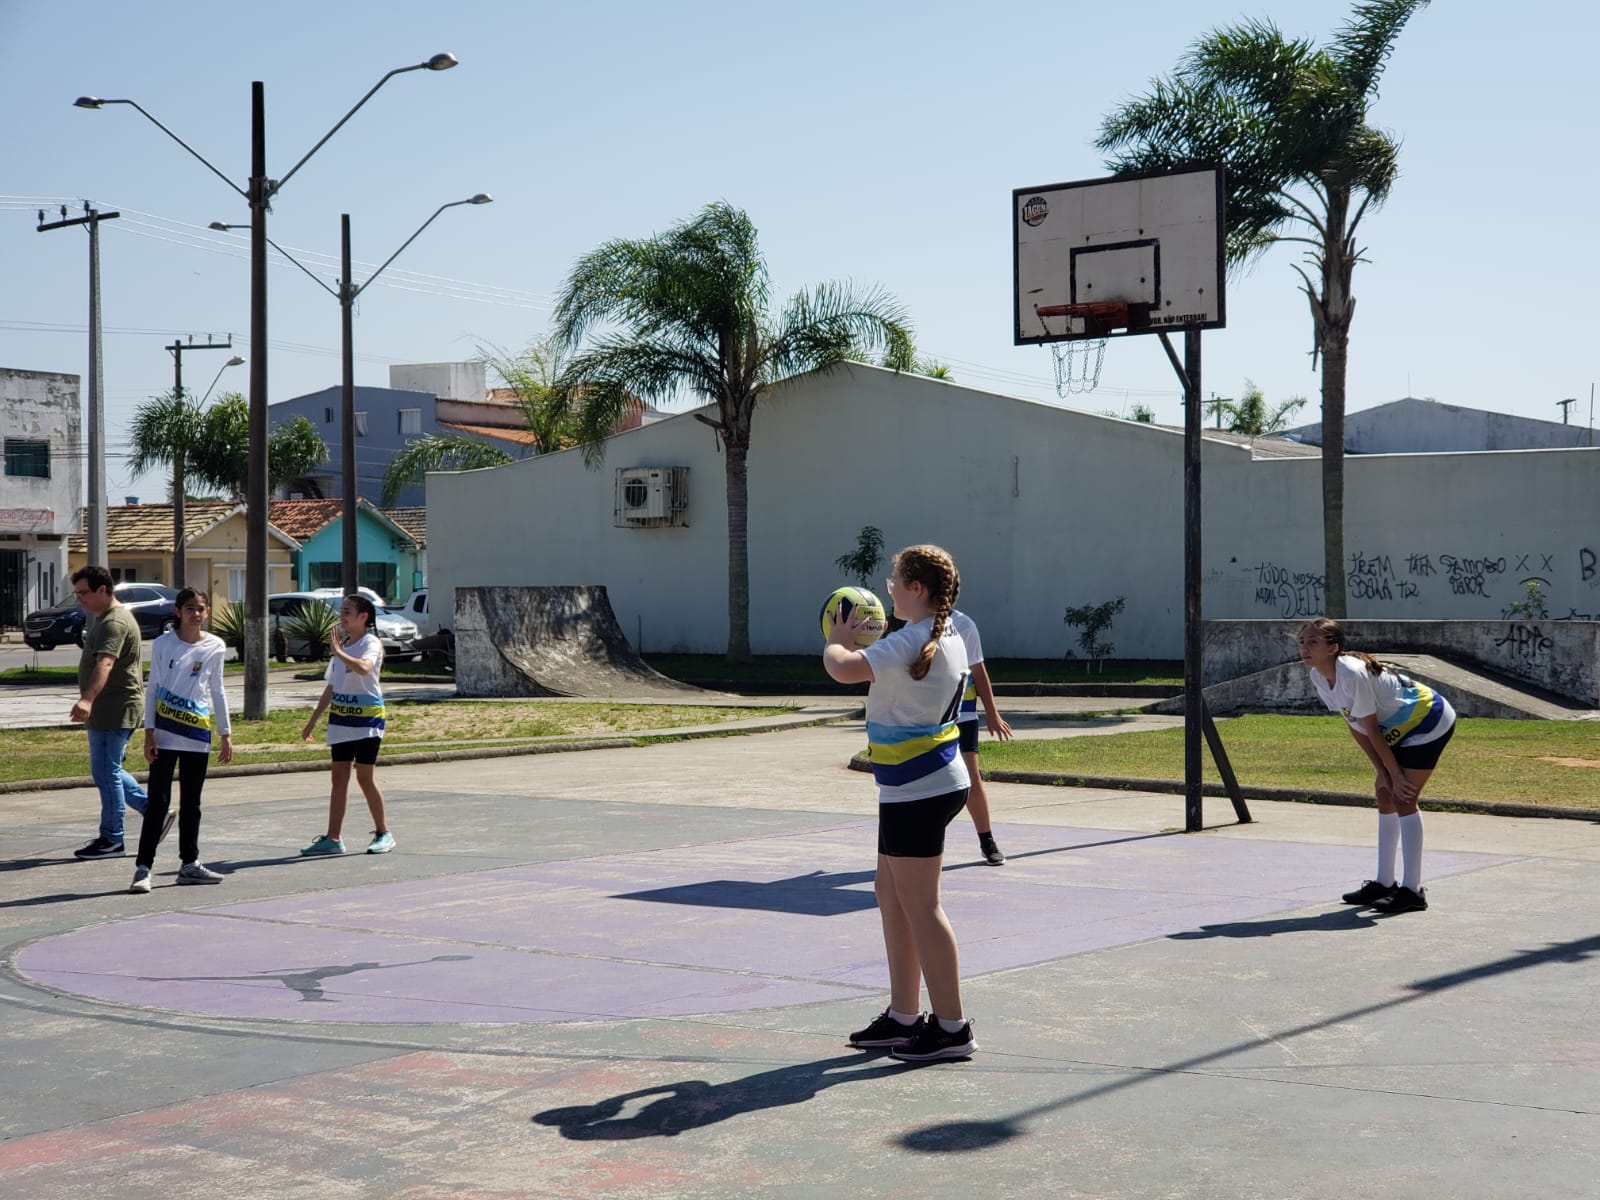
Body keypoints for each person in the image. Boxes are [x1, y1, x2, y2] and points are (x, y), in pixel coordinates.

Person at [825, 544, 977, 1062]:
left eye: (894, 579)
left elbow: (844, 669)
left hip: (918, 788)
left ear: (917, 588)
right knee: (890, 893)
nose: (887, 586)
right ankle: (904, 1014)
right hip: (921, 782)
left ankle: (952, 1028)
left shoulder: (911, 641)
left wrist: (837, 640)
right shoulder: (947, 629)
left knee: (923, 906)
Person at [1299, 617, 1456, 914]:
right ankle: (1385, 883)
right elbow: (1355, 724)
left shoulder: (1351, 673)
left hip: (1429, 719)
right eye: (1302, 642)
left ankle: (1412, 892)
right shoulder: (1319, 676)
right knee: (1384, 793)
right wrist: (1382, 773)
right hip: (1395, 725)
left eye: (1313, 642)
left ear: (1333, 648)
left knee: (1403, 796)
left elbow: (1372, 729)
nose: (1304, 648)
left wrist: (1395, 774)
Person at [133, 587, 233, 892]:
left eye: (201, 608)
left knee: (192, 803)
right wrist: (149, 732)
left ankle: (189, 864)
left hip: (196, 735)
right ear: (178, 612)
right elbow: (153, 689)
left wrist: (225, 733)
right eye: (190, 608)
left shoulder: (216, 646)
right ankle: (142, 868)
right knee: (158, 803)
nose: (196, 614)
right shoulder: (164, 644)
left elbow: (217, 690)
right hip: (165, 733)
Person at [67, 565, 151, 860]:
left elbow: (106, 663)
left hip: (116, 707)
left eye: (84, 592)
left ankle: (113, 838)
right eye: (76, 593)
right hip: (108, 708)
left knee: (107, 771)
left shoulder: (114, 623)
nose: (80, 599)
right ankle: (154, 811)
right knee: (106, 770)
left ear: (103, 589)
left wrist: (87, 699)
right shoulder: (106, 619)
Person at [300, 594, 394, 856]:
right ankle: (333, 838)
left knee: (364, 777)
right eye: (341, 611)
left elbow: (364, 668)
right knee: (338, 778)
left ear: (363, 617)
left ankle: (383, 832)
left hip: (367, 720)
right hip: (341, 720)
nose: (342, 617)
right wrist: (312, 721)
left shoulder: (370, 643)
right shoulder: (341, 644)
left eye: (348, 612)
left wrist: (339, 652)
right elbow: (332, 686)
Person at [949, 609, 1014, 865]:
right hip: (929, 720)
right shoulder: (915, 624)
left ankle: (987, 841)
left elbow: (978, 670)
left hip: (962, 716)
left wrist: (992, 713)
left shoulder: (963, 625)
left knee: (972, 780)